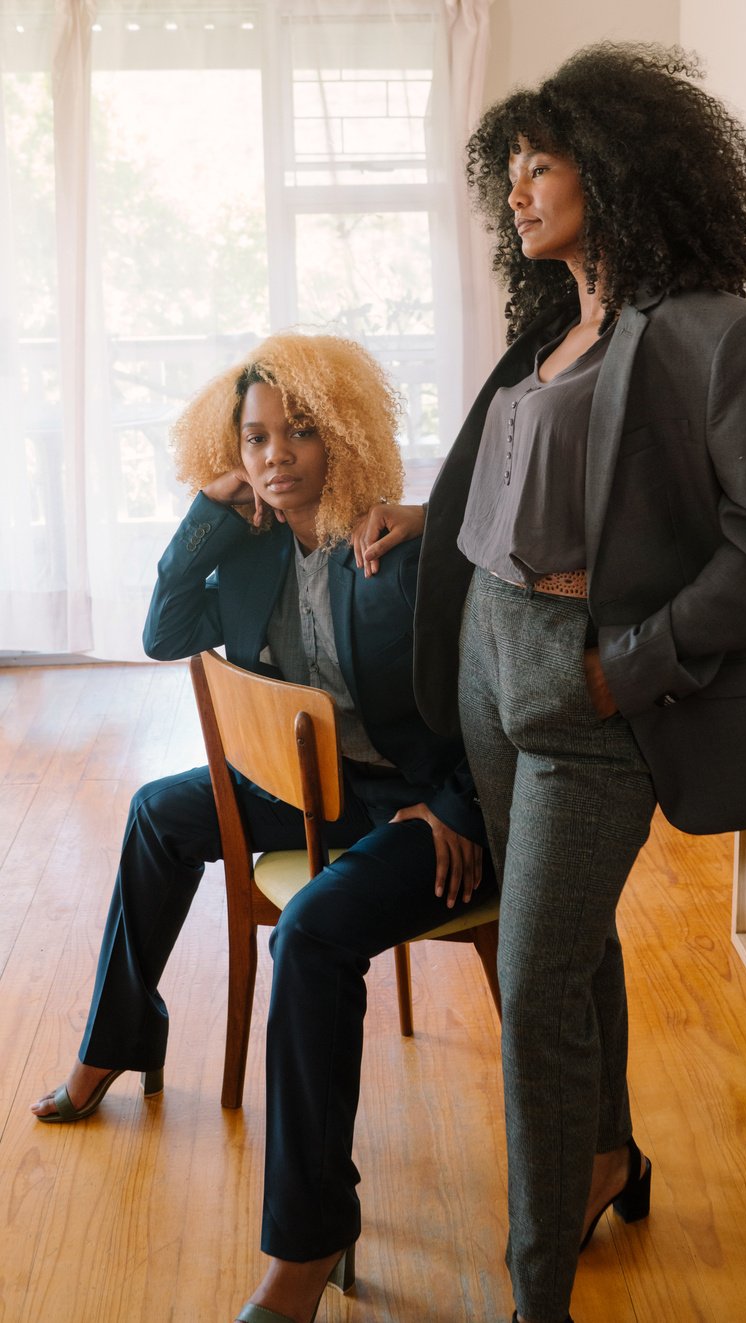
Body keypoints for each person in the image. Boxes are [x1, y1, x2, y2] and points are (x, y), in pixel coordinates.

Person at [358, 42, 746, 1323]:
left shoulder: (719, 338)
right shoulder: (553, 329)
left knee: (531, 985)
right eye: (507, 173)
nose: (515, 193)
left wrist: (622, 675)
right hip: (486, 664)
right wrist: (430, 520)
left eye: (539, 168)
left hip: (591, 697)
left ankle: (534, 1292)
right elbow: (523, 491)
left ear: (618, 171)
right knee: (565, 952)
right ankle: (609, 1155)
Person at [30, 331, 497, 1323]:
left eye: (299, 433)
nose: (276, 455)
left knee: (312, 931)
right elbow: (161, 634)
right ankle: (122, 1035)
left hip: (420, 800)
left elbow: (487, 697)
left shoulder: (393, 545)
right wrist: (206, 514)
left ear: (346, 435)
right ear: (234, 454)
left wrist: (453, 805)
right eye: (255, 439)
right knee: (161, 811)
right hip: (315, 788)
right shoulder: (247, 551)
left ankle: (309, 1236)